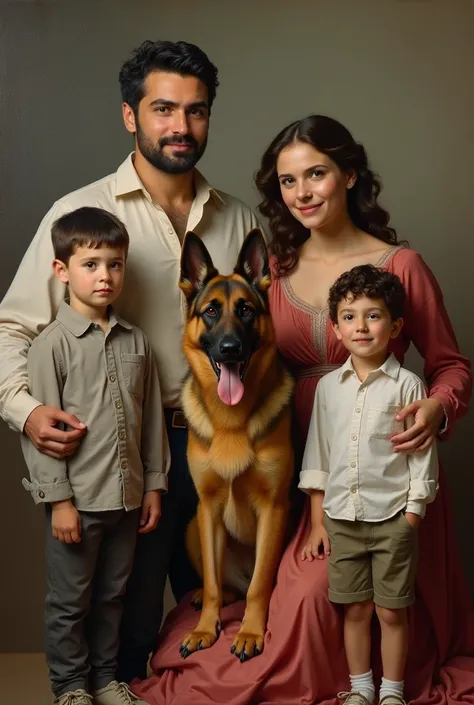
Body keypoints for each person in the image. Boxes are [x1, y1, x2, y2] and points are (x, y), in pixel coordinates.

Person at [131, 115, 473, 705]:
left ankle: (379, 687)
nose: (304, 193)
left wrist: (437, 408)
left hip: (382, 473)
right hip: (301, 476)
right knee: (299, 608)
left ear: (350, 176)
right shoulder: (273, 275)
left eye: (316, 174)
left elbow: (451, 366)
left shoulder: (400, 266)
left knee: (335, 604)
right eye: (289, 182)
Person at [0, 39, 262, 683]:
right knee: (124, 612)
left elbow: (267, 332)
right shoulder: (79, 214)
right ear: (130, 116)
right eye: (163, 109)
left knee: (225, 614)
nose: (180, 126)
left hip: (224, 442)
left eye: (196, 111)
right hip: (125, 449)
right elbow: (13, 326)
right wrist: (27, 411)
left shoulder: (239, 219)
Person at [20, 207, 166, 705]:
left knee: (112, 598)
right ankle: (70, 688)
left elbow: (149, 426)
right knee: (70, 603)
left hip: (126, 502)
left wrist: (153, 485)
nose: (105, 275)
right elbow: (38, 437)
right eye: (91, 264)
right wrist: (58, 501)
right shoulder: (50, 347)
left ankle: (105, 680)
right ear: (62, 271)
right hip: (77, 504)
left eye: (116, 264)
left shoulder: (138, 343)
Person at [300, 264, 439, 705]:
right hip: (341, 519)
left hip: (392, 519)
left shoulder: (408, 385)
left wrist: (413, 513)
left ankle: (392, 692)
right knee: (355, 608)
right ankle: (361, 689)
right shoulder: (328, 389)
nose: (360, 326)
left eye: (373, 315)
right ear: (337, 328)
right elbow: (318, 456)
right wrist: (317, 522)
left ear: (395, 326)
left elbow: (421, 455)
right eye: (348, 316)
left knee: (391, 610)